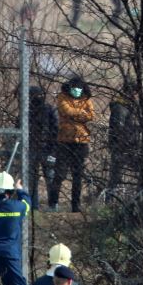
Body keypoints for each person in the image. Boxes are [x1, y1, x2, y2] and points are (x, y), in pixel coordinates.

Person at [48, 76, 94, 213]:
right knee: (59, 174)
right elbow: (65, 111)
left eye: (79, 88)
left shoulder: (86, 98)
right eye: (75, 88)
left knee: (77, 175)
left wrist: (75, 115)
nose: (77, 91)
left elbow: (91, 115)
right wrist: (81, 113)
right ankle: (53, 203)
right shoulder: (62, 97)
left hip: (81, 141)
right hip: (65, 141)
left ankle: (76, 205)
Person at [26, 85, 58, 210]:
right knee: (32, 179)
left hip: (46, 148)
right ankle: (34, 206)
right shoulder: (27, 111)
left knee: (50, 176)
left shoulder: (49, 110)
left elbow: (55, 130)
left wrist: (53, 150)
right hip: (31, 148)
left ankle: (53, 204)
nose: (37, 98)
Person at [106, 79, 139, 194]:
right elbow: (118, 129)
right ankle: (111, 198)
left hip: (129, 145)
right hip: (122, 146)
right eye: (135, 92)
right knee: (116, 175)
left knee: (117, 174)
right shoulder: (121, 107)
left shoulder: (129, 107)